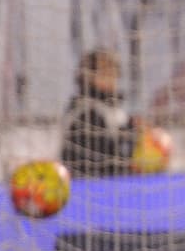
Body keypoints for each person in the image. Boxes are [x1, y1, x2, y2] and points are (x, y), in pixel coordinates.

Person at [60, 48, 140, 177]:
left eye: (113, 73)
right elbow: (98, 160)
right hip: (88, 185)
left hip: (116, 184)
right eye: (104, 73)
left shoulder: (117, 111)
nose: (112, 78)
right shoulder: (83, 112)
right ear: (87, 77)